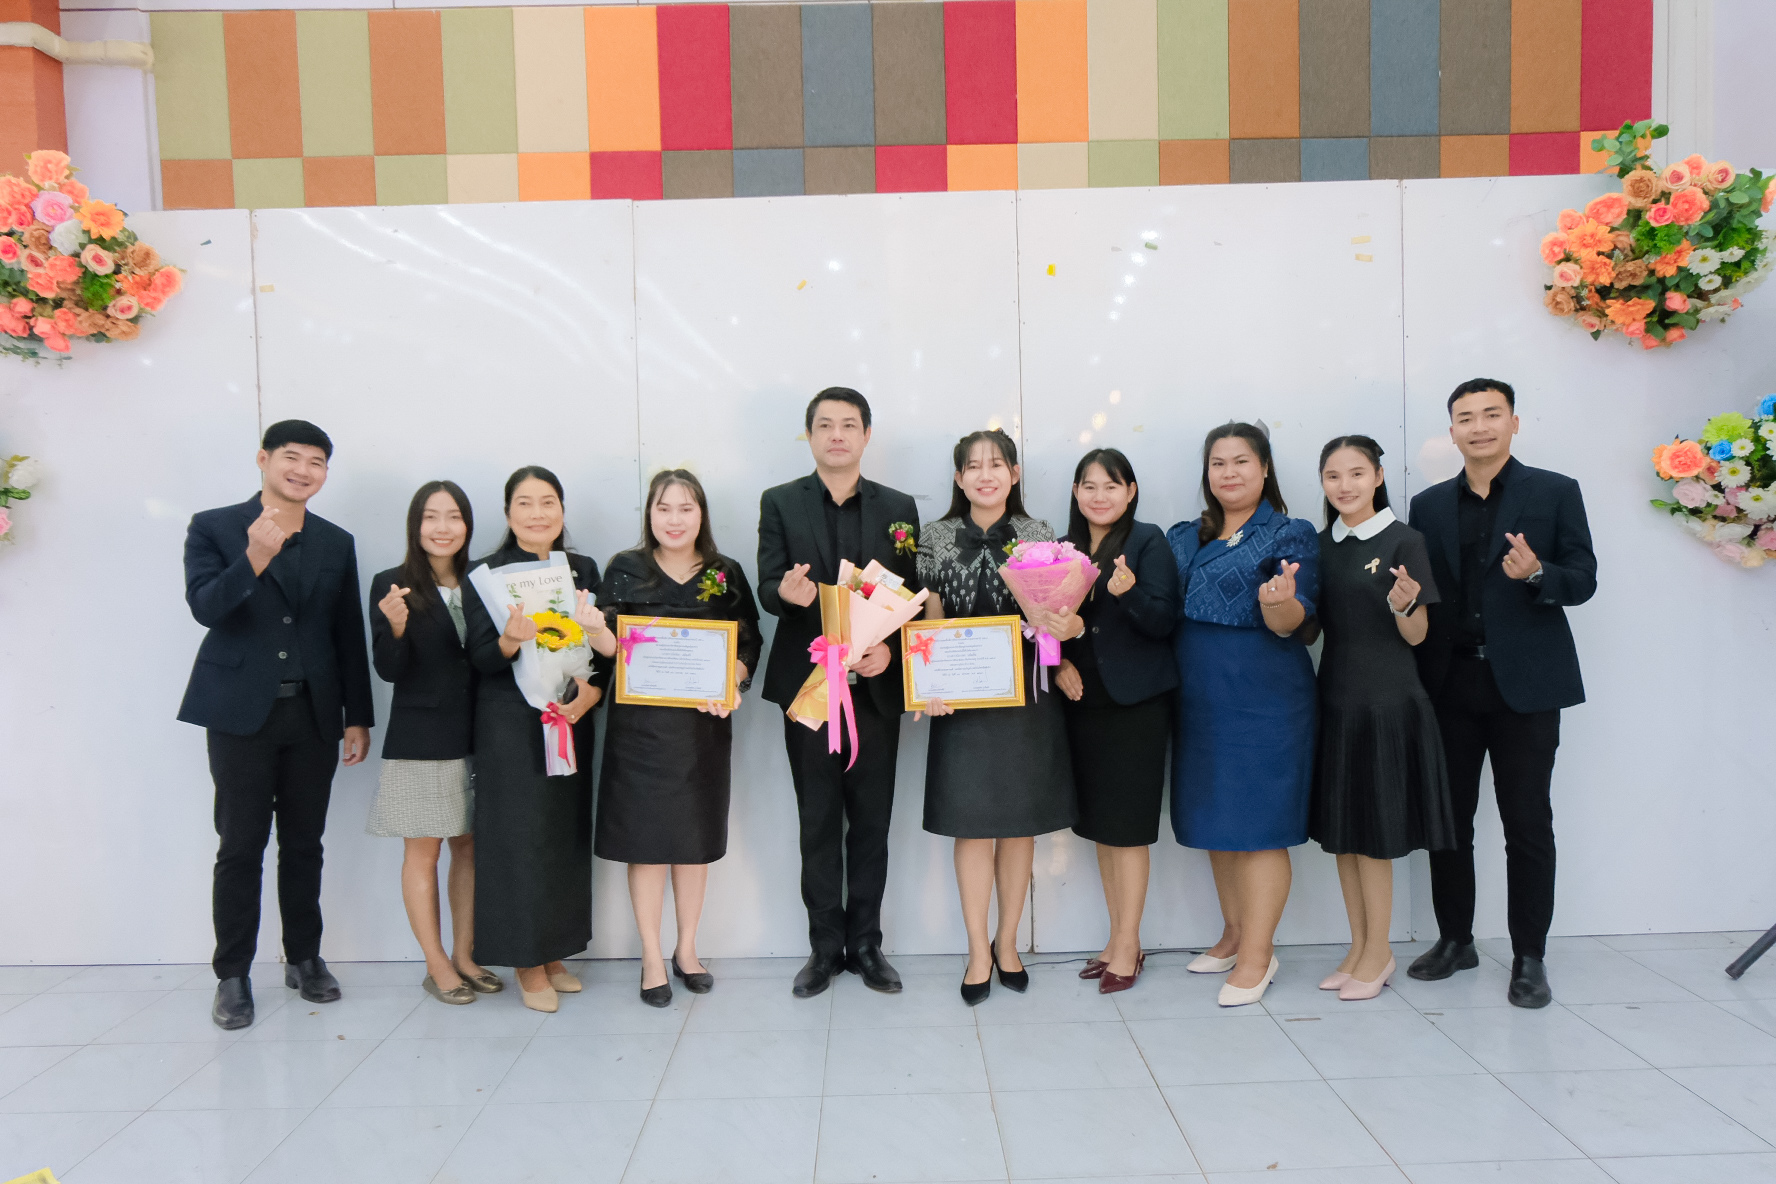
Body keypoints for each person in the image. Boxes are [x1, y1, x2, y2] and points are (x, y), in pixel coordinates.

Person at [1405, 379, 1596, 1008]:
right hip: (1451, 683)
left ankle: (1529, 957)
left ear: (1514, 422)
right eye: (1466, 417)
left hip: (1528, 687)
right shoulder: (1429, 505)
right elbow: (1424, 592)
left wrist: (1538, 573)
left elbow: (1584, 579)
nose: (1479, 426)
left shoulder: (1555, 491)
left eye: (1492, 414)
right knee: (1449, 822)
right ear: (1451, 431)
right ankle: (1455, 940)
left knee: (1527, 823)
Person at [178, 419, 374, 1031]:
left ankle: (305, 958)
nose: (303, 471)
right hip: (240, 715)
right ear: (263, 459)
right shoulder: (214, 527)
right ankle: (232, 974)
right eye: (292, 457)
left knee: (305, 843)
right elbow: (205, 607)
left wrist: (357, 716)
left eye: (316, 462)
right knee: (240, 846)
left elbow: (347, 633)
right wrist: (255, 557)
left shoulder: (335, 541)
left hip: (312, 714)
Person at [758, 388, 922, 999]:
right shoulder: (780, 501)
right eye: (824, 425)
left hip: (873, 692)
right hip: (808, 689)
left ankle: (868, 946)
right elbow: (766, 582)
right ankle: (825, 948)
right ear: (809, 435)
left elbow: (910, 595)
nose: (836, 435)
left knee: (872, 824)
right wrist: (784, 595)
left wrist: (892, 652)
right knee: (818, 821)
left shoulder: (899, 507)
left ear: (866, 435)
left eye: (848, 425)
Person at [590, 469, 762, 1007]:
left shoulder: (725, 572)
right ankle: (650, 956)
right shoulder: (625, 568)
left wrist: (731, 682)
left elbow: (748, 643)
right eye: (664, 508)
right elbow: (609, 646)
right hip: (639, 733)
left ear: (701, 514)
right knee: (646, 847)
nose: (674, 519)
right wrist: (593, 628)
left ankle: (687, 950)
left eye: (686, 508)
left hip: (700, 730)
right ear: (650, 513)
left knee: (692, 845)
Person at [917, 429, 1076, 1005]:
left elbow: (1054, 611)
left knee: (1018, 824)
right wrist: (929, 682)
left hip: (1025, 696)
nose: (985, 475)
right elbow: (931, 614)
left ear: (1014, 473)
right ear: (959, 478)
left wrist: (1060, 656)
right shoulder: (933, 536)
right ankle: (977, 950)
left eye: (997, 464)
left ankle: (1007, 943)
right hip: (961, 701)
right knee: (971, 824)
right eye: (973, 466)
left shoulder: (1038, 534)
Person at [1166, 422, 1318, 1008]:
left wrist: (1279, 605)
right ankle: (1233, 934)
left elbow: (1296, 622)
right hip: (1199, 697)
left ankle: (1259, 953)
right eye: (1218, 463)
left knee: (1258, 829)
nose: (1228, 473)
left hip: (1264, 700)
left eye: (1241, 461)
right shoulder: (1186, 535)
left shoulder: (1289, 533)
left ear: (1265, 468)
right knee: (1218, 822)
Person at [1309, 437, 1456, 1002]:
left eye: (1356, 473)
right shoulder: (1322, 544)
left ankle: (1380, 952)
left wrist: (1404, 604)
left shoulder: (1403, 539)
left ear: (1378, 476)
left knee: (1374, 838)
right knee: (1344, 836)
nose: (1344, 485)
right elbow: (1313, 627)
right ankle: (1358, 947)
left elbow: (1417, 636)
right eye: (1332, 476)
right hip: (1336, 699)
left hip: (1388, 701)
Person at [461, 466, 609, 1014]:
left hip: (569, 716)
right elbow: (479, 657)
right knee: (518, 838)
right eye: (525, 503)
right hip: (509, 723)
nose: (538, 513)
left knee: (561, 835)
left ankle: (553, 951)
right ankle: (525, 960)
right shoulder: (484, 574)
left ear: (562, 511)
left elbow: (601, 643)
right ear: (508, 513)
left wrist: (592, 693)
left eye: (548, 502)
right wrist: (508, 640)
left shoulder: (582, 569)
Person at [366, 480, 502, 1006]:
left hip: (481, 734)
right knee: (423, 852)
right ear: (415, 524)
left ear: (467, 524)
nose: (442, 528)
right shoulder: (392, 584)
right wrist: (396, 629)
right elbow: (389, 669)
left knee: (469, 847)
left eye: (453, 516)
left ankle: (465, 955)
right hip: (422, 739)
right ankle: (436, 962)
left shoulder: (483, 580)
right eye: (430, 516)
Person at [1053, 448, 1178, 995]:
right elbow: (1045, 625)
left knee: (1126, 830)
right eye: (1089, 485)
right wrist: (1057, 665)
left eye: (1111, 485)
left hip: (1136, 704)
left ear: (1130, 491)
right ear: (1075, 492)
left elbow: (1164, 620)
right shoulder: (1063, 549)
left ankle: (1129, 943)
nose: (1099, 495)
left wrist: (1128, 595)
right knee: (1103, 827)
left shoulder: (1147, 541)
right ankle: (1115, 938)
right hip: (1083, 702)